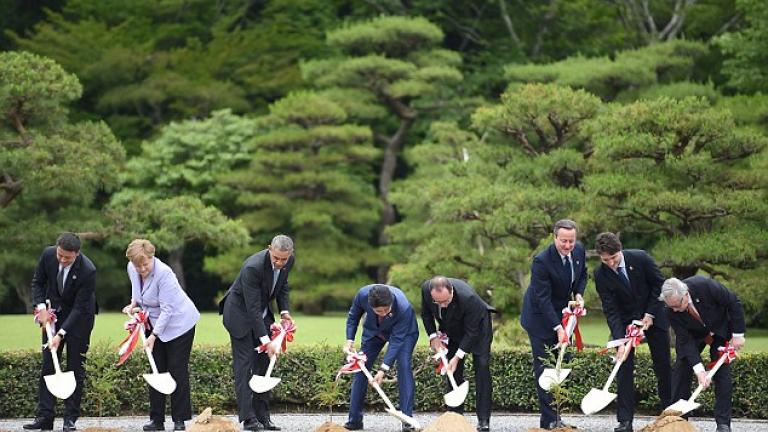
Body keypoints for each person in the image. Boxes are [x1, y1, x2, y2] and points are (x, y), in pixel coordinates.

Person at [593, 232, 672, 432]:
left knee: (662, 366)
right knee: (623, 368)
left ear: (620, 250)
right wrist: (620, 340)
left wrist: (650, 314)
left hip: (653, 318)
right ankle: (625, 421)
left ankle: (671, 415)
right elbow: (610, 308)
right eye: (605, 260)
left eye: (613, 258)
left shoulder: (641, 258)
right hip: (625, 324)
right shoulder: (600, 274)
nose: (610, 263)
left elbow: (659, 285)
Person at [121, 239, 200, 432]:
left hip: (179, 323)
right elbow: (137, 290)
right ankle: (156, 420)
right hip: (153, 320)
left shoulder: (165, 274)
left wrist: (153, 336)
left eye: (145, 264)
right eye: (137, 265)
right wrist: (133, 304)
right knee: (156, 368)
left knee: (176, 370)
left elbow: (167, 310)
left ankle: (179, 420)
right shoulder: (133, 267)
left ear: (152, 257)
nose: (141, 269)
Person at [219, 234, 295, 431]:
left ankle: (263, 416)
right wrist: (265, 341)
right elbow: (251, 309)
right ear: (269, 248)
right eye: (276, 258)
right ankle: (249, 418)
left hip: (261, 313)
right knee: (244, 366)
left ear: (290, 255)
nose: (279, 262)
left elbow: (282, 285)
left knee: (264, 365)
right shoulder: (252, 267)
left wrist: (284, 312)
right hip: (239, 315)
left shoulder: (288, 261)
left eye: (283, 259)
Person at [24, 233, 97, 432]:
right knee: (48, 364)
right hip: (53, 314)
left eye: (68, 257)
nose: (63, 260)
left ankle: (70, 419)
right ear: (56, 249)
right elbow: (38, 282)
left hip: (80, 318)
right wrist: (41, 309)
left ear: (77, 254)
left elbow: (80, 307)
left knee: (75, 367)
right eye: (60, 255)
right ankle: (45, 418)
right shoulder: (48, 255)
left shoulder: (88, 270)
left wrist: (61, 334)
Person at [520, 219, 587, 430]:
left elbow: (582, 275)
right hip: (540, 318)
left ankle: (557, 416)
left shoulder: (578, 251)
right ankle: (549, 420)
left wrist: (578, 294)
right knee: (546, 367)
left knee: (562, 363)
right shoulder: (542, 261)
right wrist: (558, 328)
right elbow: (542, 298)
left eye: (571, 241)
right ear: (554, 237)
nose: (568, 246)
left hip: (563, 314)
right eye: (563, 241)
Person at [660, 277, 746, 432]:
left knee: (722, 373)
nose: (674, 309)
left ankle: (723, 424)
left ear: (685, 295)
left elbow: (733, 302)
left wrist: (738, 334)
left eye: (677, 305)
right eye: (670, 306)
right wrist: (699, 371)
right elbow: (685, 340)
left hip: (719, 328)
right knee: (682, 367)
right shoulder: (670, 309)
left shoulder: (705, 285)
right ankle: (677, 420)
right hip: (692, 335)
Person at [421, 276, 495, 432]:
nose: (442, 306)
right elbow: (426, 314)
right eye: (438, 303)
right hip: (451, 329)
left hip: (478, 330)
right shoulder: (426, 290)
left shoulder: (469, 299)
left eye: (445, 302)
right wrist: (433, 337)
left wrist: (458, 356)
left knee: (481, 367)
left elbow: (471, 332)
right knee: (452, 370)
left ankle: (483, 420)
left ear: (452, 292)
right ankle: (454, 415)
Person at [343, 284, 419, 432]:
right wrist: (349, 340)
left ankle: (407, 421)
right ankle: (354, 420)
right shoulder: (362, 295)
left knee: (403, 366)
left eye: (387, 309)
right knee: (361, 369)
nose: (383, 313)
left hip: (404, 334)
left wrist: (383, 369)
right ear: (370, 306)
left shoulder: (403, 307)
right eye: (379, 311)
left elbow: (396, 342)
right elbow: (353, 316)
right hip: (374, 333)